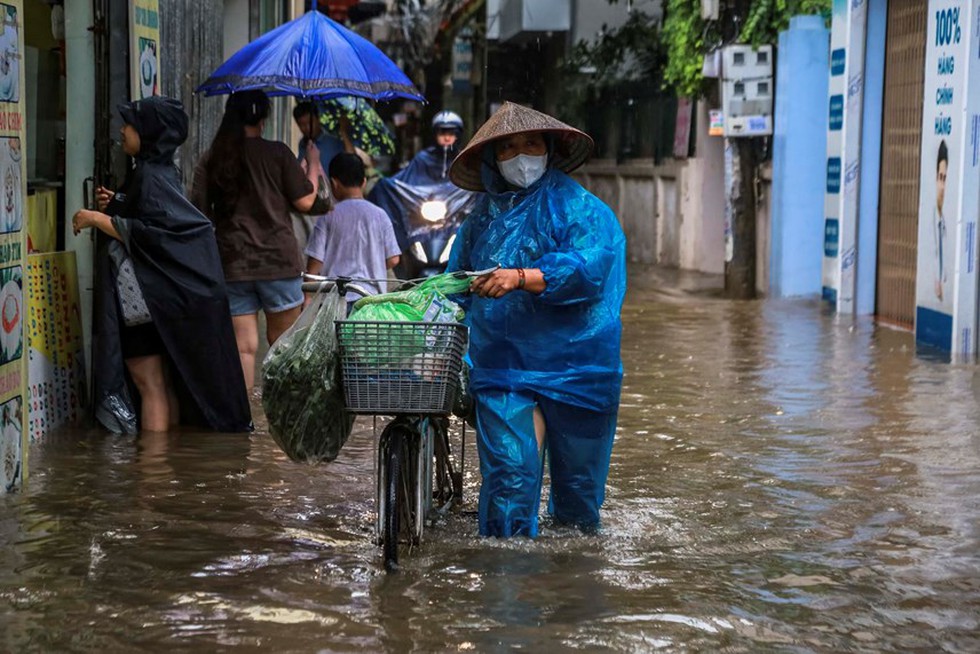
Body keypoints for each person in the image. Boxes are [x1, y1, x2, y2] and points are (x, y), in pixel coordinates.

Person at [446, 101, 627, 538]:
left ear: (548, 148)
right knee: (509, 481)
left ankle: (566, 591)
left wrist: (521, 277)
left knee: (578, 505)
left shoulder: (581, 209)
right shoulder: (478, 224)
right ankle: (505, 589)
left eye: (530, 144)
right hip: (505, 367)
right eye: (508, 148)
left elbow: (589, 268)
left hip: (580, 369)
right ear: (493, 159)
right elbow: (455, 285)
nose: (521, 155)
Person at [71, 96, 251, 434]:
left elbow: (157, 234)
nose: (122, 130)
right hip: (157, 299)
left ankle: (152, 476)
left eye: (130, 125)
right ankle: (166, 468)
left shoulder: (152, 176)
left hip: (143, 298)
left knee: (148, 384)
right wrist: (121, 201)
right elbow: (154, 213)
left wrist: (95, 218)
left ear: (148, 133)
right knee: (160, 384)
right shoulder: (161, 172)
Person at [191, 90, 327, 392]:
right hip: (278, 263)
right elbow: (307, 201)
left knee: (244, 349)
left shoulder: (213, 158)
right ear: (263, 119)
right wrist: (313, 163)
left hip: (233, 264)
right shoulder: (277, 154)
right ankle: (281, 419)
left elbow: (198, 212)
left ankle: (244, 422)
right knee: (282, 347)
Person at [305, 152, 401, 311]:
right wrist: (371, 262)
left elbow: (315, 261)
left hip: (335, 301)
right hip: (371, 302)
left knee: (335, 336)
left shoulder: (328, 216)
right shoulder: (380, 215)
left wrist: (307, 296)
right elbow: (393, 259)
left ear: (334, 183)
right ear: (364, 182)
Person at [933, 140, 948, 303]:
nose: (942, 185)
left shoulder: (945, 225)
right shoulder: (933, 222)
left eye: (945, 179)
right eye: (940, 178)